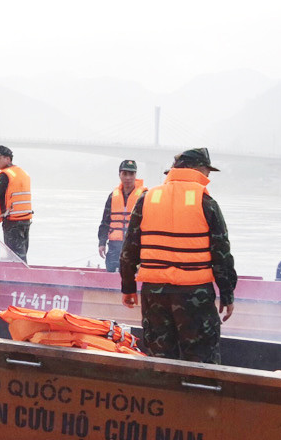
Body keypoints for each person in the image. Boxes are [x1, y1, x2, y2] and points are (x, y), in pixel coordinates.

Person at [120, 148, 237, 364]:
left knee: (160, 360)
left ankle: (163, 396)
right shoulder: (206, 202)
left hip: (154, 294)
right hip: (195, 295)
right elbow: (221, 253)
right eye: (207, 170)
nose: (208, 176)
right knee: (201, 360)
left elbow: (129, 251)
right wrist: (227, 293)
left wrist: (128, 287)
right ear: (197, 169)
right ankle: (199, 395)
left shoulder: (147, 199)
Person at [96, 160, 145, 273]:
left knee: (134, 277)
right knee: (111, 274)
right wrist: (102, 243)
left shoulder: (144, 196)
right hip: (114, 247)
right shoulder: (113, 196)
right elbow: (105, 222)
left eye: (131, 174)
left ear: (135, 175)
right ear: (119, 175)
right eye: (125, 173)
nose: (128, 177)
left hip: (136, 247)